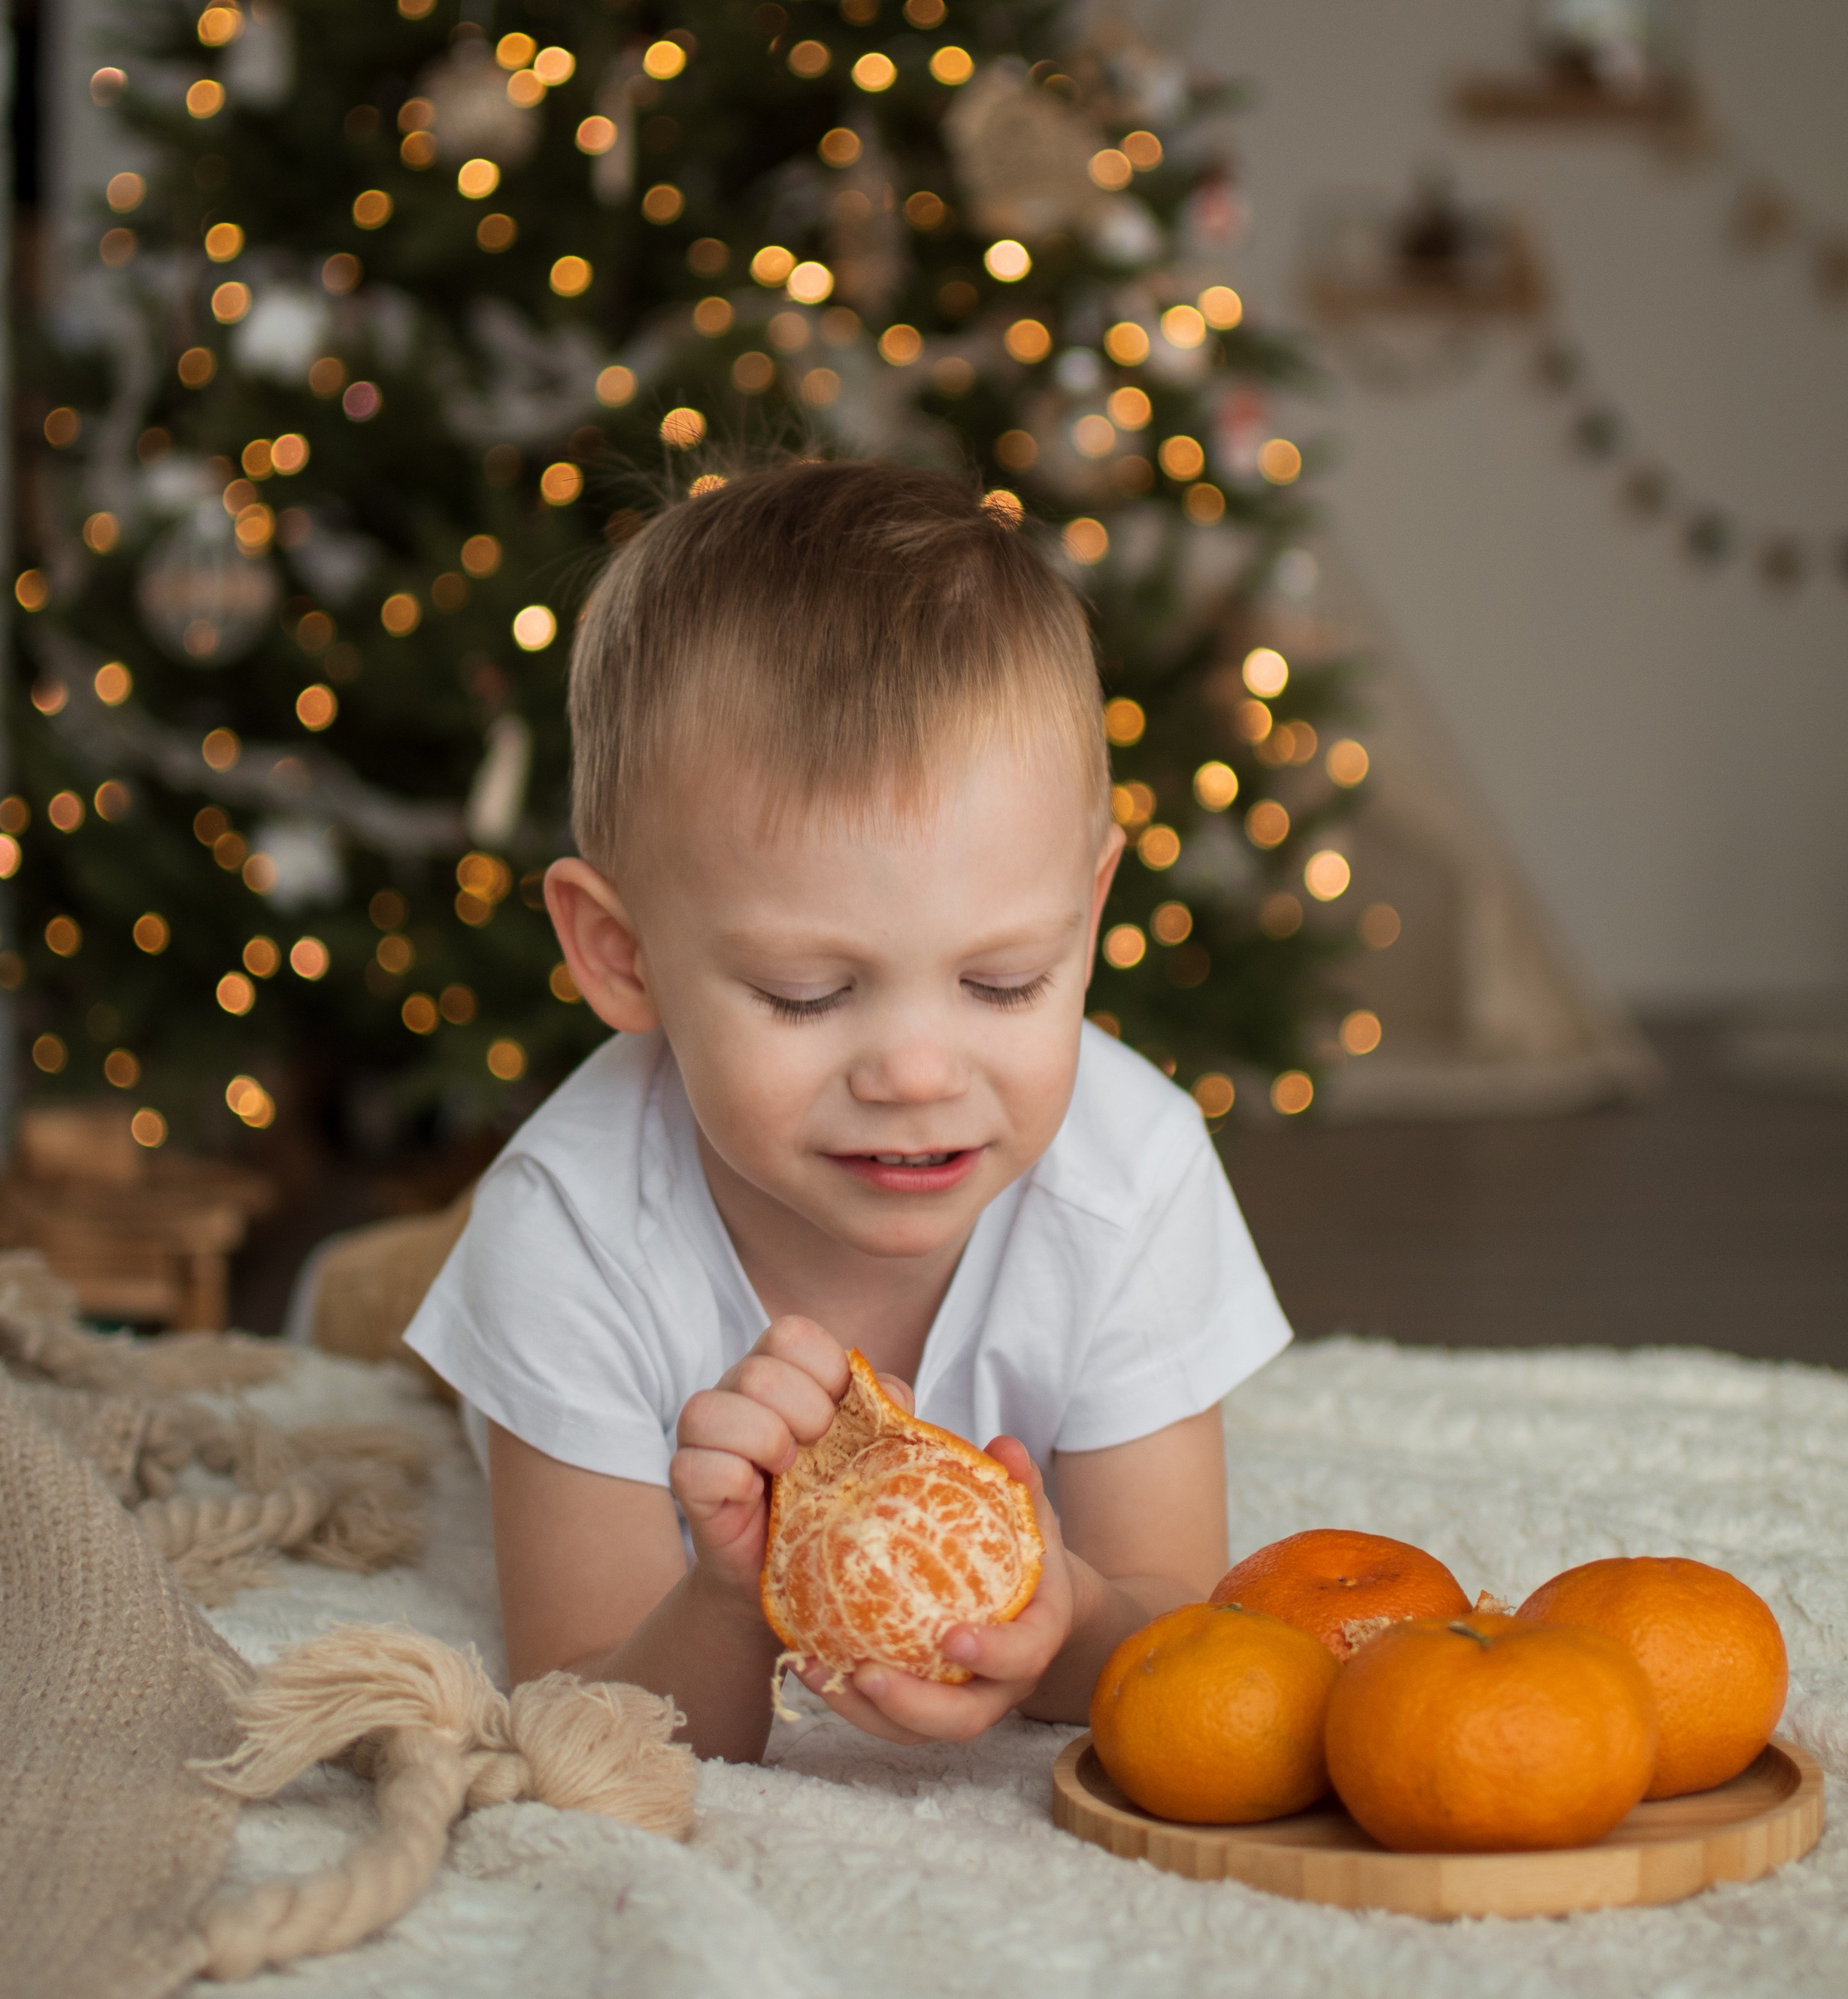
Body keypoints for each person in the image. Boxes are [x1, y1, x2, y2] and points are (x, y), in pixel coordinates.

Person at [405, 461, 1290, 1763]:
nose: (918, 1075)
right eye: (808, 994)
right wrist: (729, 1594)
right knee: (424, 1322)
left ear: (1089, 916)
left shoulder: (1131, 1176)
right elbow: (582, 1708)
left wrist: (1071, 1618)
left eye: (1004, 981)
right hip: (544, 1245)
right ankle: (385, 1293)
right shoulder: (569, 1229)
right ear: (621, 955)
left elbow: (1176, 1633)